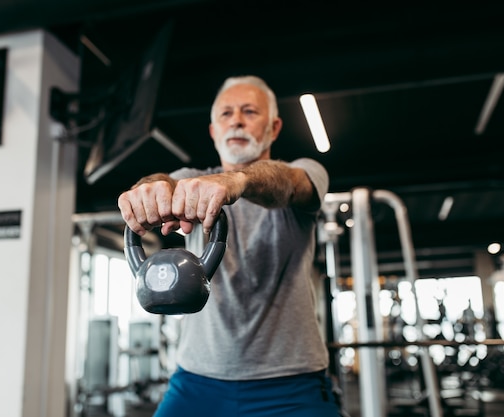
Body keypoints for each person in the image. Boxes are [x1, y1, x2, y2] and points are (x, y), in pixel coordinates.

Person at [118, 75, 339, 417]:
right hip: (196, 381)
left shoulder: (306, 172)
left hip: (291, 384)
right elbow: (162, 182)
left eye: (250, 111)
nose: (236, 119)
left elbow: (289, 185)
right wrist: (148, 190)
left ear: (275, 127)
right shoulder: (189, 181)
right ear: (213, 131)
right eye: (226, 114)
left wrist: (238, 180)